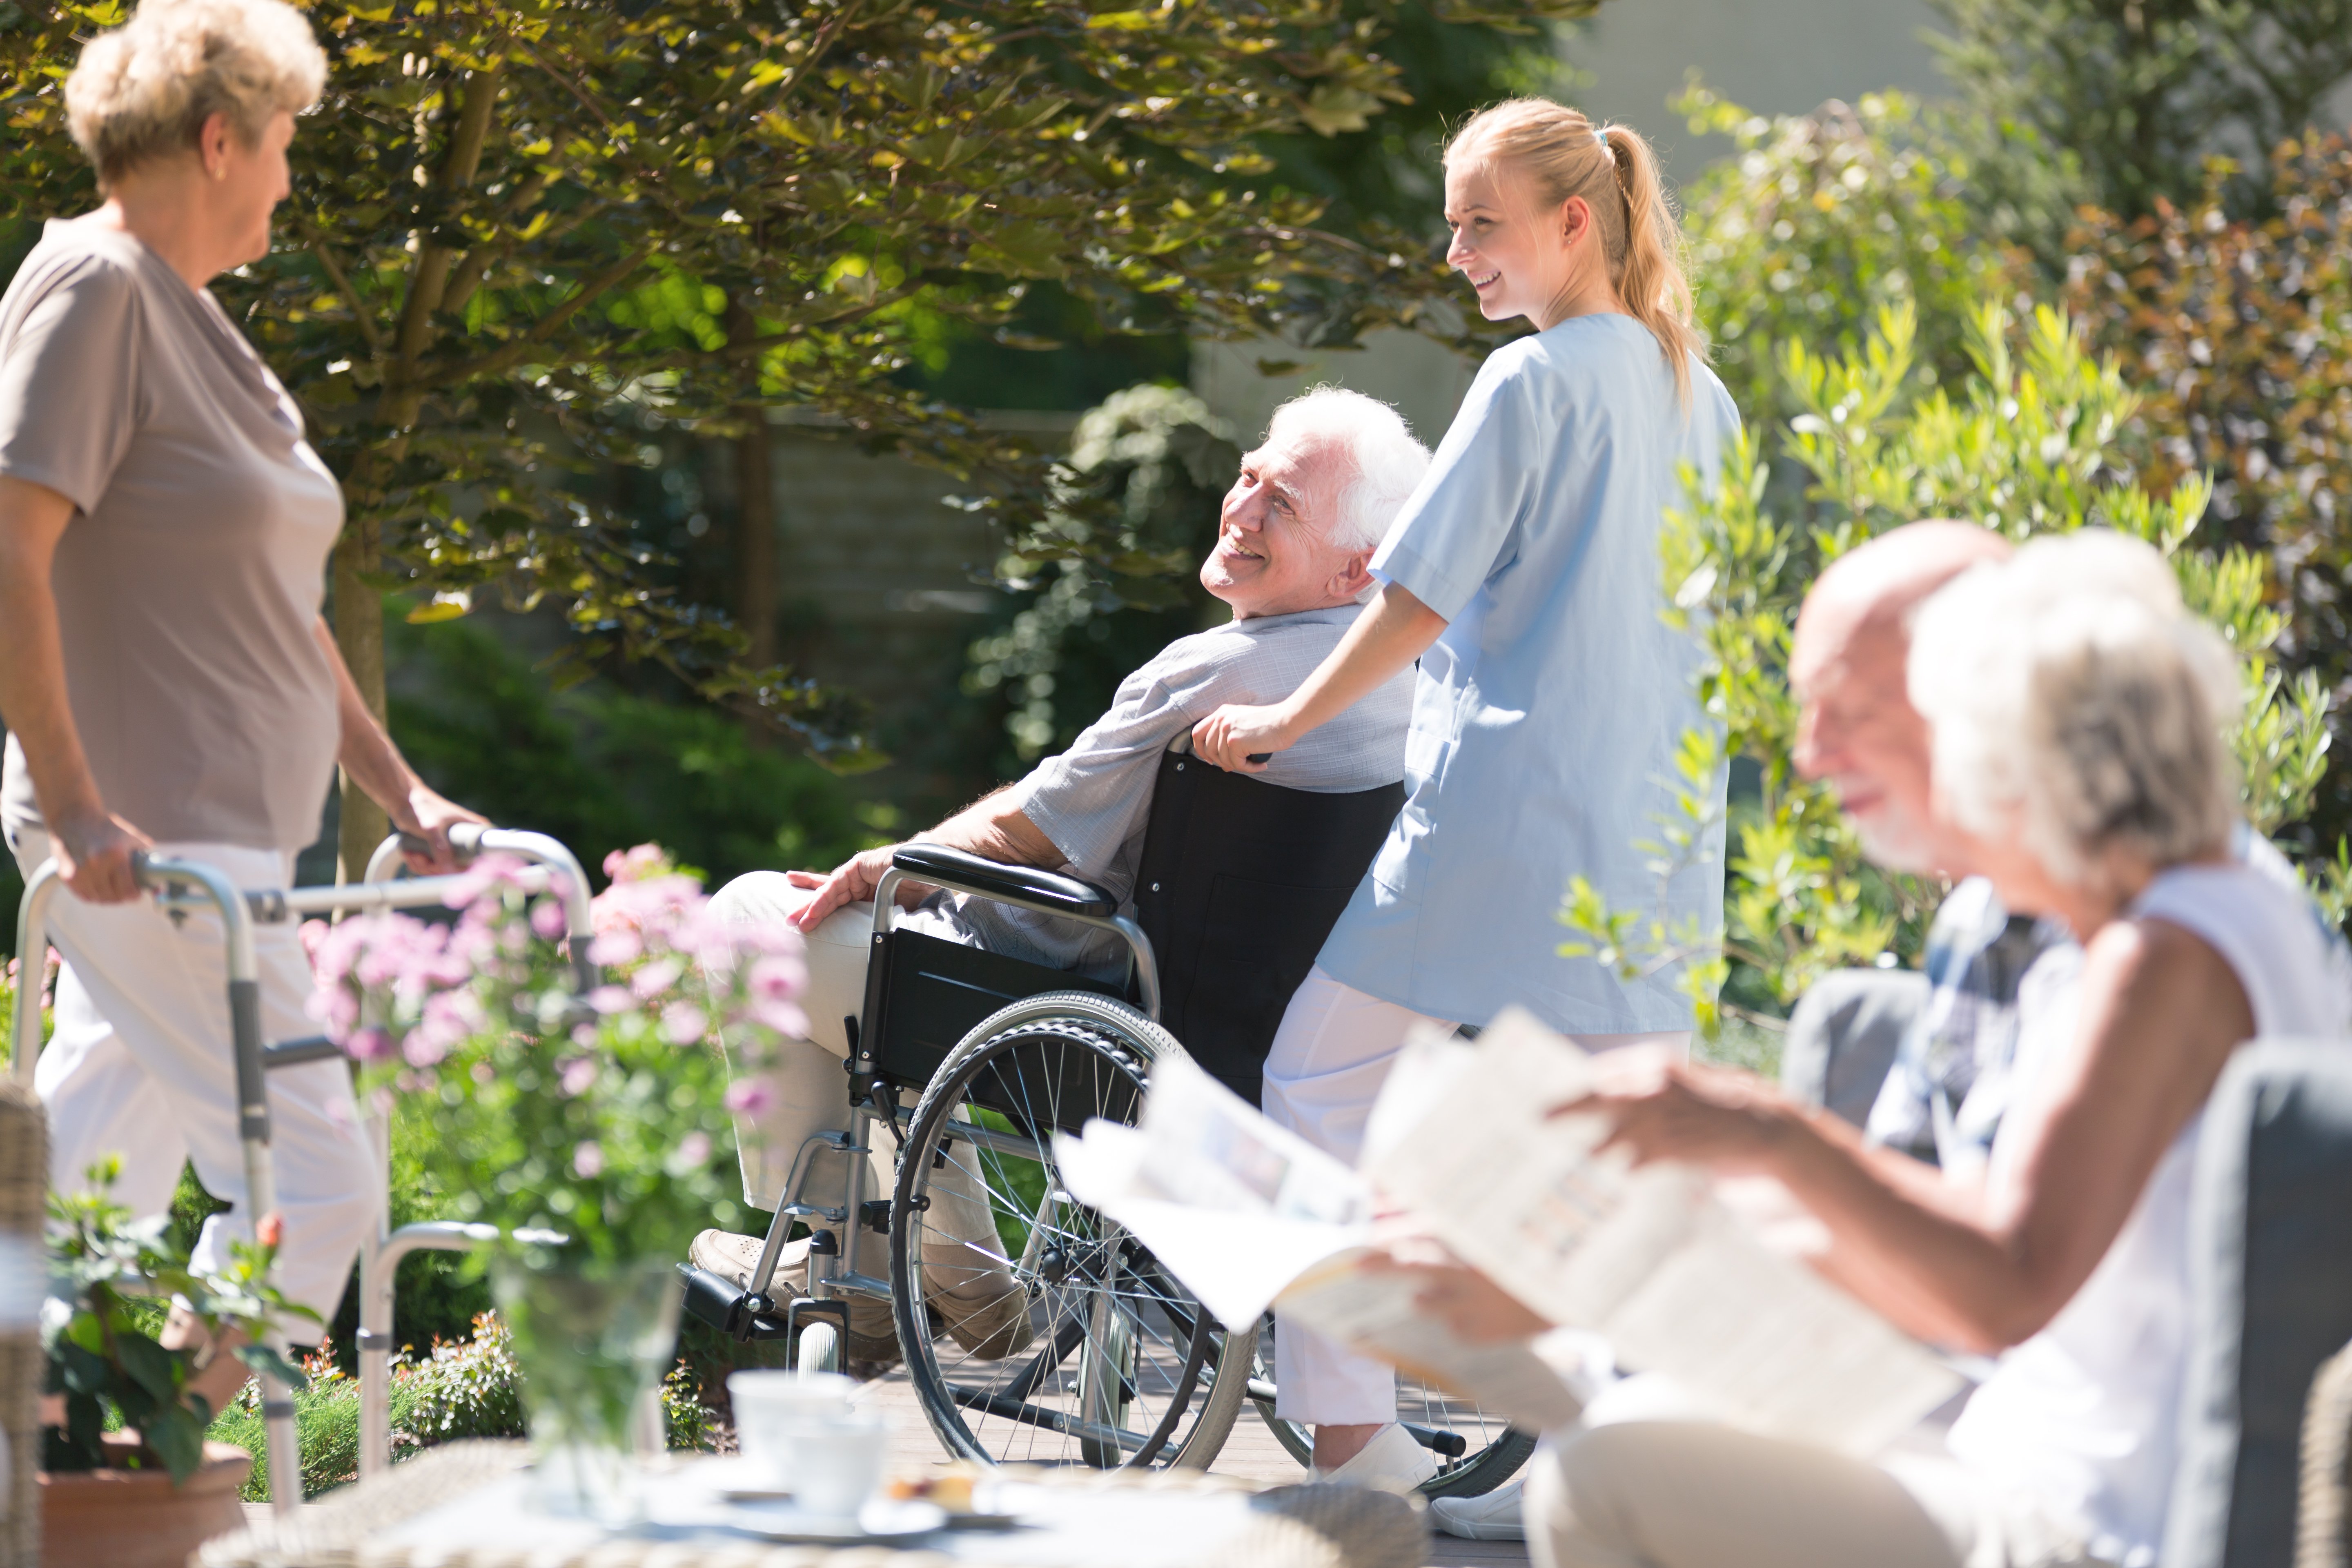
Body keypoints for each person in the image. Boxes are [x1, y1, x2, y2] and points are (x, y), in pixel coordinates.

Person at [1387, 529, 2352, 1567]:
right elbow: (1956, 1240)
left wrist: (1767, 1129)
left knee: (1606, 1473)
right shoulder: (2209, 917)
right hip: (2028, 1449)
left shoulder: (2158, 960)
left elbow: (2006, 1281)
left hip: (2092, 1516)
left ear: (2024, 774)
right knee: (1643, 1423)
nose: (1963, 841)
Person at [1189, 98, 1741, 1483]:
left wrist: (1280, 720)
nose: (1457, 255)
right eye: (1452, 227)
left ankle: (1358, 1453)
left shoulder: (1534, 385)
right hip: (1651, 857)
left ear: (1573, 222)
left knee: (1312, 1092)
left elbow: (1416, 598)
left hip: (1497, 832)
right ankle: (1617, 1478)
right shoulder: (1704, 398)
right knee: (1614, 1178)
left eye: (1480, 225)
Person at [686, 387, 1430, 1369]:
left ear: (1360, 565)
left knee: (752, 916)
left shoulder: (1215, 673)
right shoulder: (1409, 690)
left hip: (1070, 1005)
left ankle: (871, 1272)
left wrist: (887, 867)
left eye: (1282, 504)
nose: (1241, 510)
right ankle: (901, 1272)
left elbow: (1031, 828)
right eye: (1248, 478)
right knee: (846, 968)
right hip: (1246, 1030)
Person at [0, 0, 485, 1414]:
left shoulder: (195, 320)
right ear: (219, 139)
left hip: (221, 854)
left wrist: (402, 793)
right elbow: (12, 548)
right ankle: (149, 1472)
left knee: (74, 1202)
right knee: (325, 1185)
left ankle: (46, 1473)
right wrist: (77, 801)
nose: (286, 180)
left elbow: (277, 609)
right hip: (150, 854)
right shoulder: (94, 292)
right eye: (280, 147)